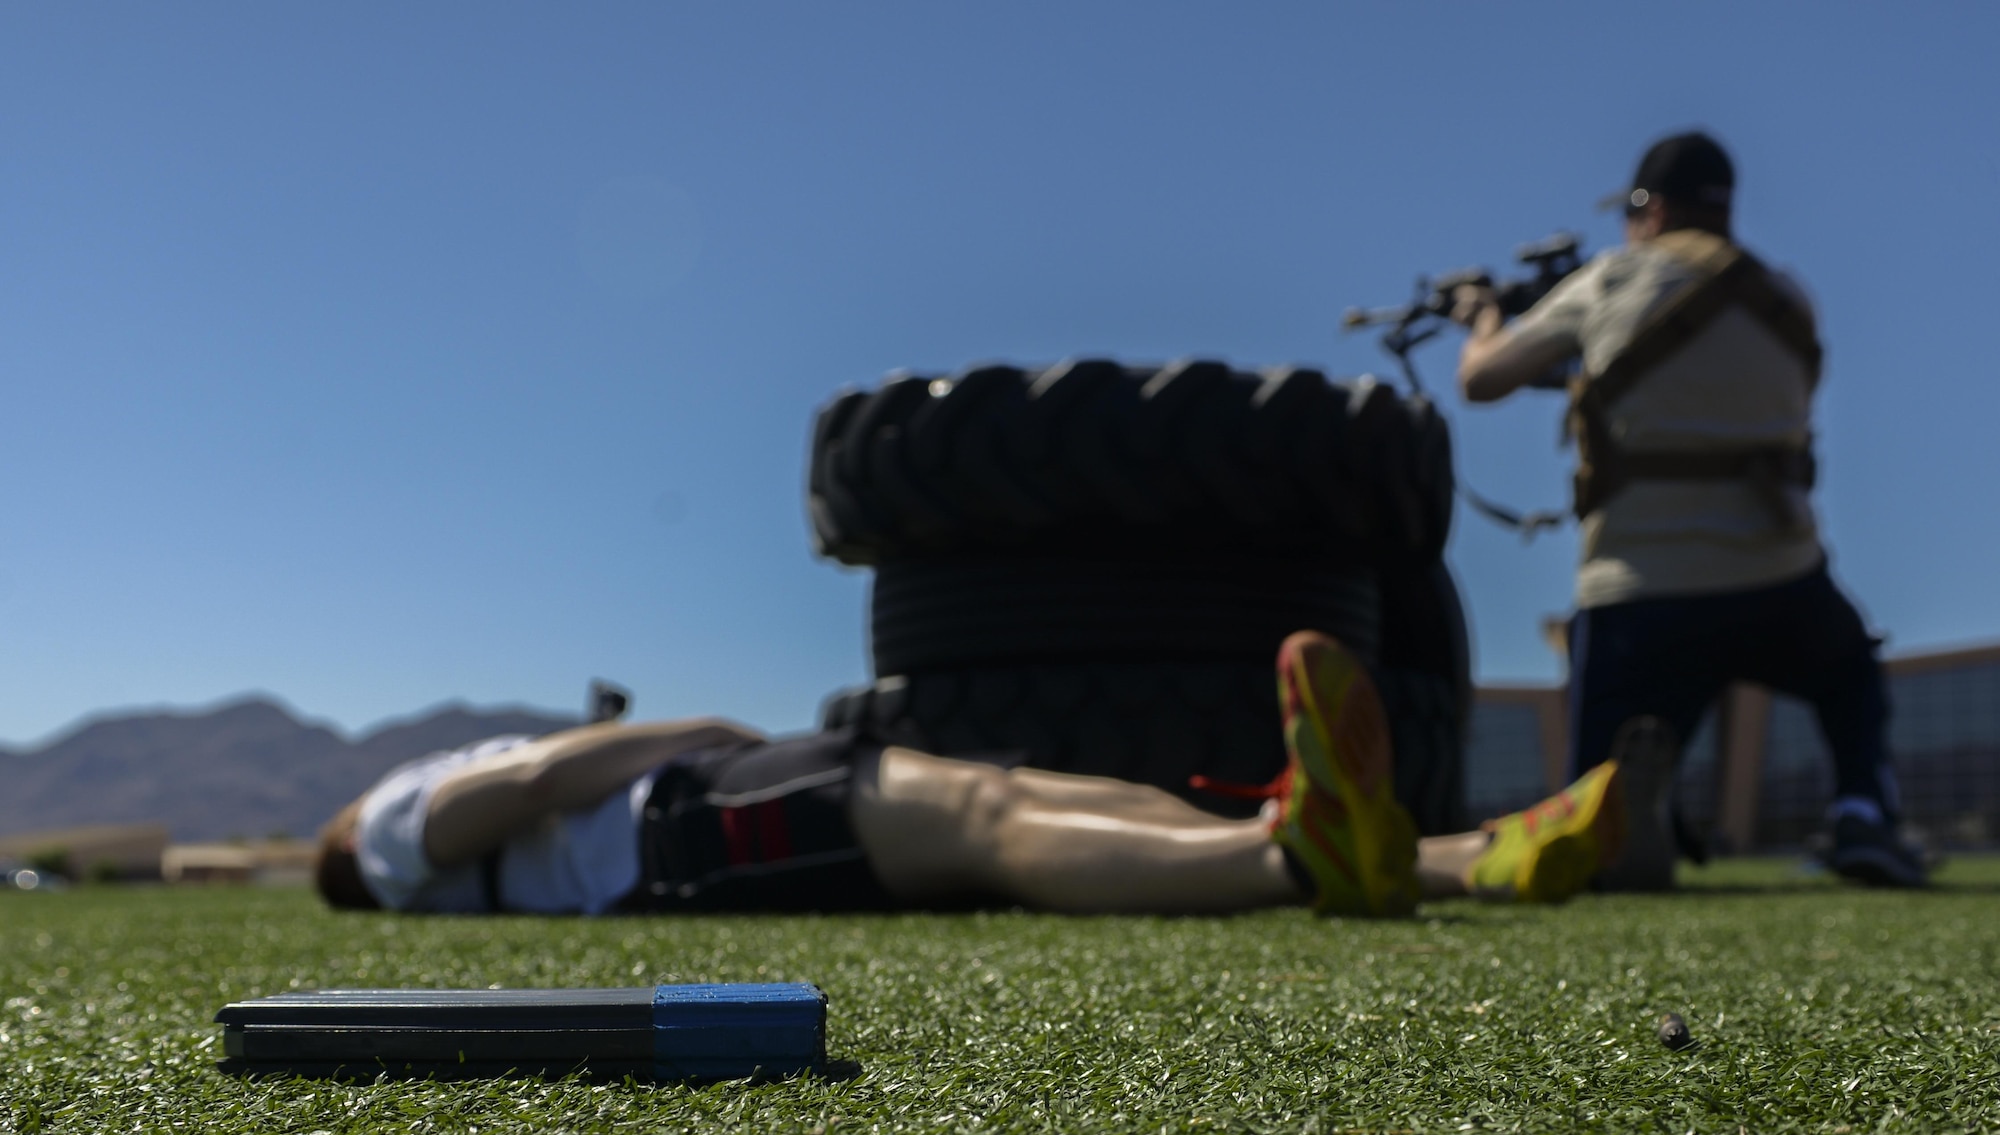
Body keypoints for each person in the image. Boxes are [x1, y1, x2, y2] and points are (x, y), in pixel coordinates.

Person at [314, 632, 1628, 917]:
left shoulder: (384, 822)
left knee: (1056, 790)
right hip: (687, 835)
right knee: (996, 821)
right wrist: (676, 733)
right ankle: (1293, 856)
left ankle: (1473, 854)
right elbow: (529, 790)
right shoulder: (375, 833)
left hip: (711, 800)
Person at [1450, 130, 1923, 888]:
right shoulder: (1787, 297)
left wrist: (1482, 315)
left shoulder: (1609, 281)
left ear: (1651, 207)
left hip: (1639, 589)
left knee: (1594, 814)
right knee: (1849, 671)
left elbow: (1481, 381)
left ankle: (1634, 825)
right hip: (1779, 576)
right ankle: (1864, 811)